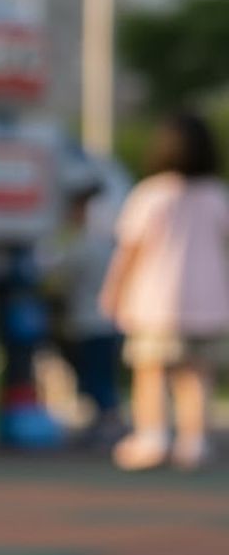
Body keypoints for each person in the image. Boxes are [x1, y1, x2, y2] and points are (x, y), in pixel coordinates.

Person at [99, 111, 229, 470]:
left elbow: (130, 249)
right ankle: (194, 442)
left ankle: (152, 437)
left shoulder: (152, 194)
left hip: (156, 301)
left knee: (151, 371)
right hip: (208, 300)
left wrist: (114, 291)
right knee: (197, 374)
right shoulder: (217, 195)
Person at [38, 154, 123, 445]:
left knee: (96, 377)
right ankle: (104, 420)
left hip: (91, 321)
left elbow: (60, 274)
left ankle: (108, 422)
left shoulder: (87, 243)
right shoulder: (105, 242)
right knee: (99, 376)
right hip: (104, 320)